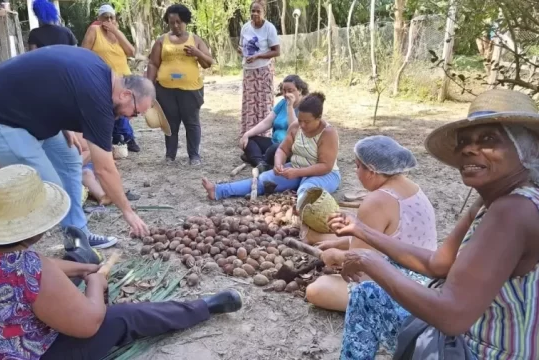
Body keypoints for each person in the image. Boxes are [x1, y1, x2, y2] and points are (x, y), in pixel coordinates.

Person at [0, 164, 243, 359]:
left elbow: (31, 267)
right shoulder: (28, 268)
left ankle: (81, 255)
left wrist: (83, 269)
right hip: (28, 354)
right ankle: (204, 307)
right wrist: (95, 283)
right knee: (121, 318)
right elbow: (88, 324)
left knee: (76, 268)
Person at [326, 89, 539, 359]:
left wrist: (370, 261)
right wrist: (362, 230)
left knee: (367, 296)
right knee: (370, 294)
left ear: (527, 149)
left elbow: (451, 315)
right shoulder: (493, 202)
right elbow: (437, 264)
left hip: (477, 351)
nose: (469, 149)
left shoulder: (513, 211)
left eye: (488, 139)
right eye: (464, 142)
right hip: (467, 335)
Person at [0, 45, 154, 248]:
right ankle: (3, 253)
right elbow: (105, 169)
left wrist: (62, 121)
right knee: (48, 188)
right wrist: (128, 212)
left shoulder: (102, 75)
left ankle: (77, 238)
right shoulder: (99, 99)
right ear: (125, 95)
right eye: (134, 113)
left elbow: (53, 83)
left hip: (23, 114)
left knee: (70, 159)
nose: (130, 118)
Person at [305, 135, 437, 312]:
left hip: (403, 291)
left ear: (372, 171)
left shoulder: (376, 201)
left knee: (316, 290)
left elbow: (355, 261)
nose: (355, 171)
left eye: (358, 166)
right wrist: (338, 243)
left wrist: (335, 255)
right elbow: (385, 238)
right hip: (426, 278)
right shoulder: (411, 186)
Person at [203, 92, 340, 207]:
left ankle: (298, 215)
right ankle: (218, 190)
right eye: (300, 120)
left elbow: (325, 166)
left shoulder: (328, 133)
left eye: (307, 122)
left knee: (307, 190)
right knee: (262, 181)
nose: (302, 125)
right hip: (295, 168)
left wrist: (297, 172)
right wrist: (278, 164)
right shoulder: (295, 127)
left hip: (324, 175)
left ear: (319, 118)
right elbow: (282, 150)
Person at [146, 4, 214, 166]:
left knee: (192, 122)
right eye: (172, 22)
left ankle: (194, 156)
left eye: (179, 22)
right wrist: (148, 87)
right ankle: (170, 155)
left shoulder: (195, 40)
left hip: (191, 90)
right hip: (165, 90)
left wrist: (197, 53)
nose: (176, 25)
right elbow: (153, 64)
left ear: (185, 21)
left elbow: (208, 62)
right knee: (170, 123)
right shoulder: (161, 41)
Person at [82, 4, 139, 153]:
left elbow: (131, 52)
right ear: (99, 19)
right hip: (103, 80)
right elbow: (83, 53)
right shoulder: (94, 30)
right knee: (110, 111)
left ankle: (123, 138)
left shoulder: (117, 33)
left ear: (115, 19)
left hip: (124, 80)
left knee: (123, 110)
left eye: (111, 17)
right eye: (105, 17)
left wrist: (115, 31)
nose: (108, 20)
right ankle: (124, 138)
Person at [239, 74, 308, 172]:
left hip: (289, 148)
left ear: (300, 90)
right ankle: (261, 163)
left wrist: (290, 107)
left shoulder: (305, 107)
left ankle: (255, 158)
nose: (286, 94)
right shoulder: (282, 103)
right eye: (284, 91)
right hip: (274, 142)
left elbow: (294, 129)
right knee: (250, 140)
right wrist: (246, 134)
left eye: (290, 90)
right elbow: (267, 122)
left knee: (275, 149)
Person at [238, 0, 280, 137]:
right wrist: (242, 51)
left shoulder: (269, 28)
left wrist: (258, 56)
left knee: (263, 101)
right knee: (250, 102)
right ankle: (248, 132)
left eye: (258, 11)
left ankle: (263, 133)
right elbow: (241, 46)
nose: (255, 13)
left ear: (264, 12)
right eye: (253, 11)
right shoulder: (245, 27)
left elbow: (276, 51)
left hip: (263, 70)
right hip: (249, 70)